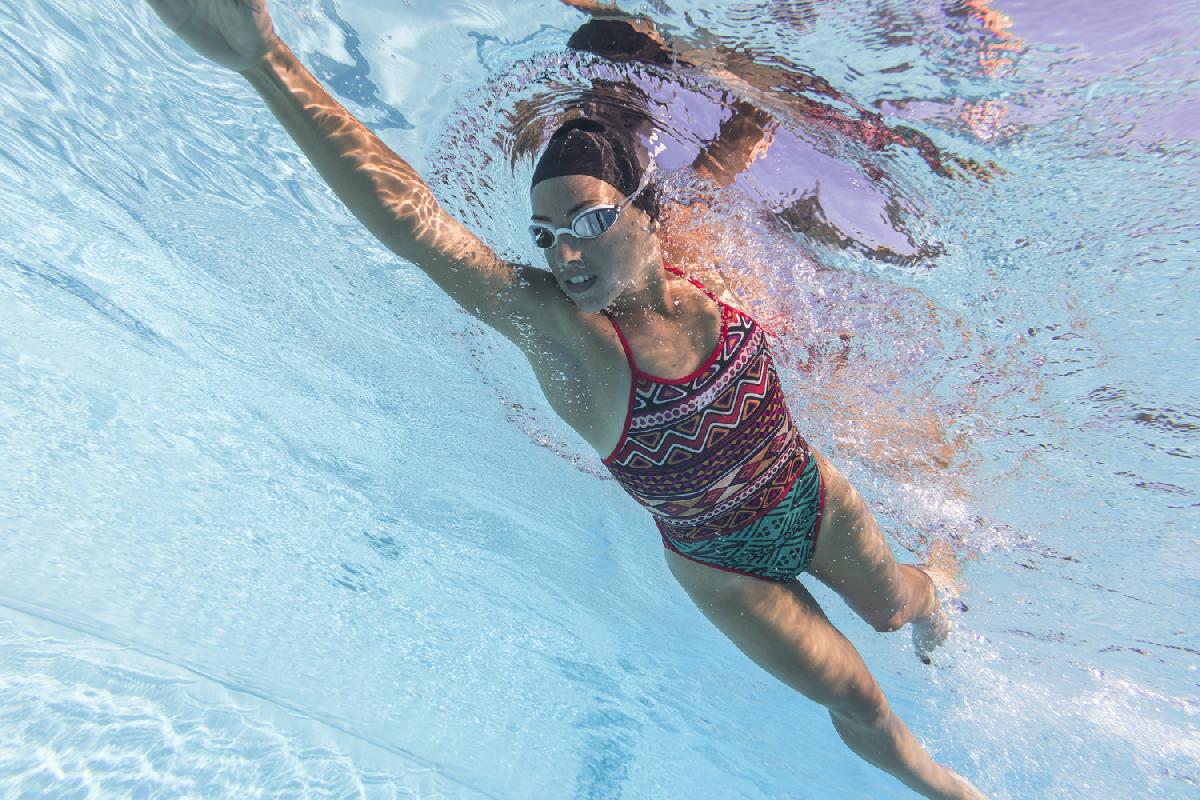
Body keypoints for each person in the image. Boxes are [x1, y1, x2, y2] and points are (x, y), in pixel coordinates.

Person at [144, 2, 987, 798]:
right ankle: (947, 789)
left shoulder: (691, 255)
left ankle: (933, 592)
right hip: (726, 573)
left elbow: (696, 189)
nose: (564, 256)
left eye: (583, 225)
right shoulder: (572, 341)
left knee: (896, 608)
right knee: (857, 701)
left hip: (811, 496)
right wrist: (268, 64)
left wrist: (732, 144)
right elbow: (413, 226)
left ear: (643, 220)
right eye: (544, 237)